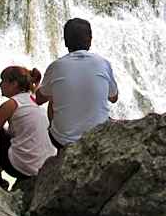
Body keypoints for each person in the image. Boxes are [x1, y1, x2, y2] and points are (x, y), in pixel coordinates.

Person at [35, 18, 119, 149]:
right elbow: (114, 98)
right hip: (98, 136)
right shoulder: (103, 63)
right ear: (90, 40)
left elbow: (39, 99)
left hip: (63, 141)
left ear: (65, 42)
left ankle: (62, 154)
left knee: (53, 98)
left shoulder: (56, 66)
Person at [0, 66, 55, 184]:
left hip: (20, 167)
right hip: (43, 166)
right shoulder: (32, 99)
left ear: (14, 84)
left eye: (3, 81)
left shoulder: (11, 104)